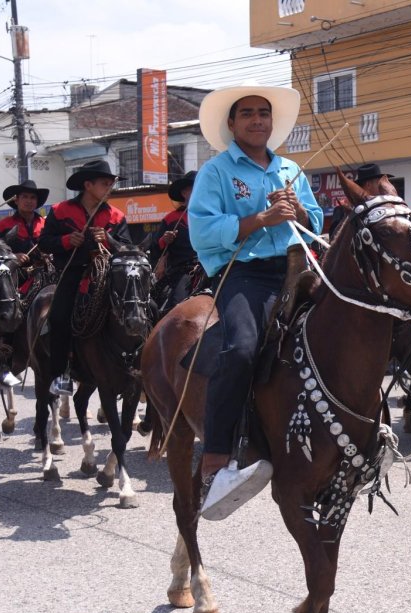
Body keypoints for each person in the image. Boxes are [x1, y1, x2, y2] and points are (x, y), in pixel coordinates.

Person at [188, 82, 321, 516]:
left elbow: (317, 218)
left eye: (263, 113)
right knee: (243, 348)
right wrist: (261, 218)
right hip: (244, 272)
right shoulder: (217, 172)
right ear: (232, 124)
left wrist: (297, 211)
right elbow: (203, 230)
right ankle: (216, 454)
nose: (257, 120)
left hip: (299, 267)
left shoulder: (289, 169)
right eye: (247, 113)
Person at [38, 159, 132, 397]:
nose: (109, 188)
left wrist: (109, 241)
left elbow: (127, 247)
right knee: (59, 317)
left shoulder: (116, 215)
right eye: (105, 184)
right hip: (73, 273)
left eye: (111, 184)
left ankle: (135, 365)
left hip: (108, 274)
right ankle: (62, 373)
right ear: (88, 185)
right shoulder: (60, 211)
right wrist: (66, 241)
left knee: (141, 307)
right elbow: (44, 242)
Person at [0, 178, 50, 387]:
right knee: (10, 312)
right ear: (16, 200)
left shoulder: (46, 224)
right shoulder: (3, 225)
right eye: (24, 197)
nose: (28, 201)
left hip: (45, 276)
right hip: (16, 279)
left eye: (32, 197)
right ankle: (6, 363)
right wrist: (12, 256)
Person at [143, 171, 199, 314]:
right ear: (185, 193)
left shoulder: (214, 215)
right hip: (184, 271)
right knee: (177, 308)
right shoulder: (171, 219)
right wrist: (164, 240)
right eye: (196, 187)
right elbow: (155, 249)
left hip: (213, 268)